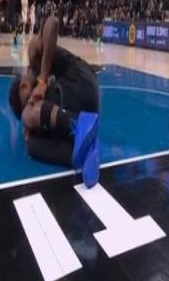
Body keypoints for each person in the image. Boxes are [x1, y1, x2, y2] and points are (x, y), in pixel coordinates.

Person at [8, 15, 100, 188]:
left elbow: (52, 22)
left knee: (29, 116)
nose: (31, 101)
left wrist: (43, 80)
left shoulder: (33, 53)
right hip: (83, 105)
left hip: (81, 80)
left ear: (23, 86)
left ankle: (78, 123)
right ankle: (85, 153)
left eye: (27, 100)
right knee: (32, 145)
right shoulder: (45, 98)